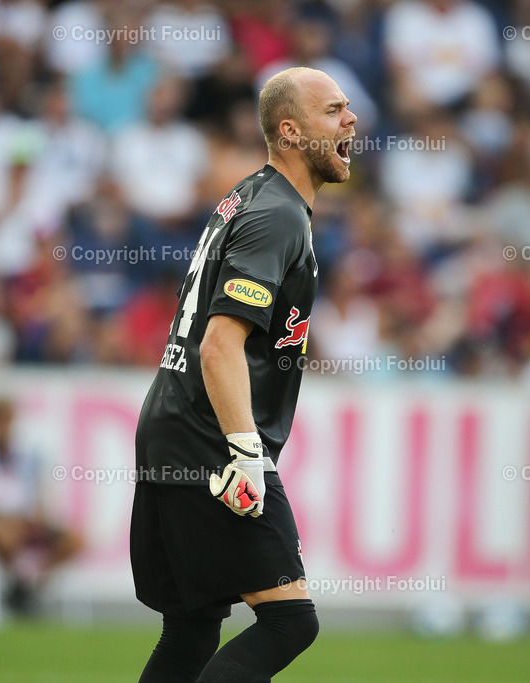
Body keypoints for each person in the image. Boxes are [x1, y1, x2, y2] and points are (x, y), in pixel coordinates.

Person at [131, 66, 356, 682]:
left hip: (171, 423)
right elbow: (220, 346)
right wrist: (244, 450)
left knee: (193, 624)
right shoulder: (279, 215)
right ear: (290, 130)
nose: (351, 119)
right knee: (290, 621)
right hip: (211, 435)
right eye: (333, 110)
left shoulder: (251, 196)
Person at [0, 396, 82, 611]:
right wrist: (5, 520)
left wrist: (38, 516)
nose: (2, 427)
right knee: (4, 536)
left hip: (26, 522)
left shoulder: (30, 458)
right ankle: (19, 585)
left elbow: (40, 497)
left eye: (6, 420)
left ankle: (32, 585)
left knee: (74, 540)